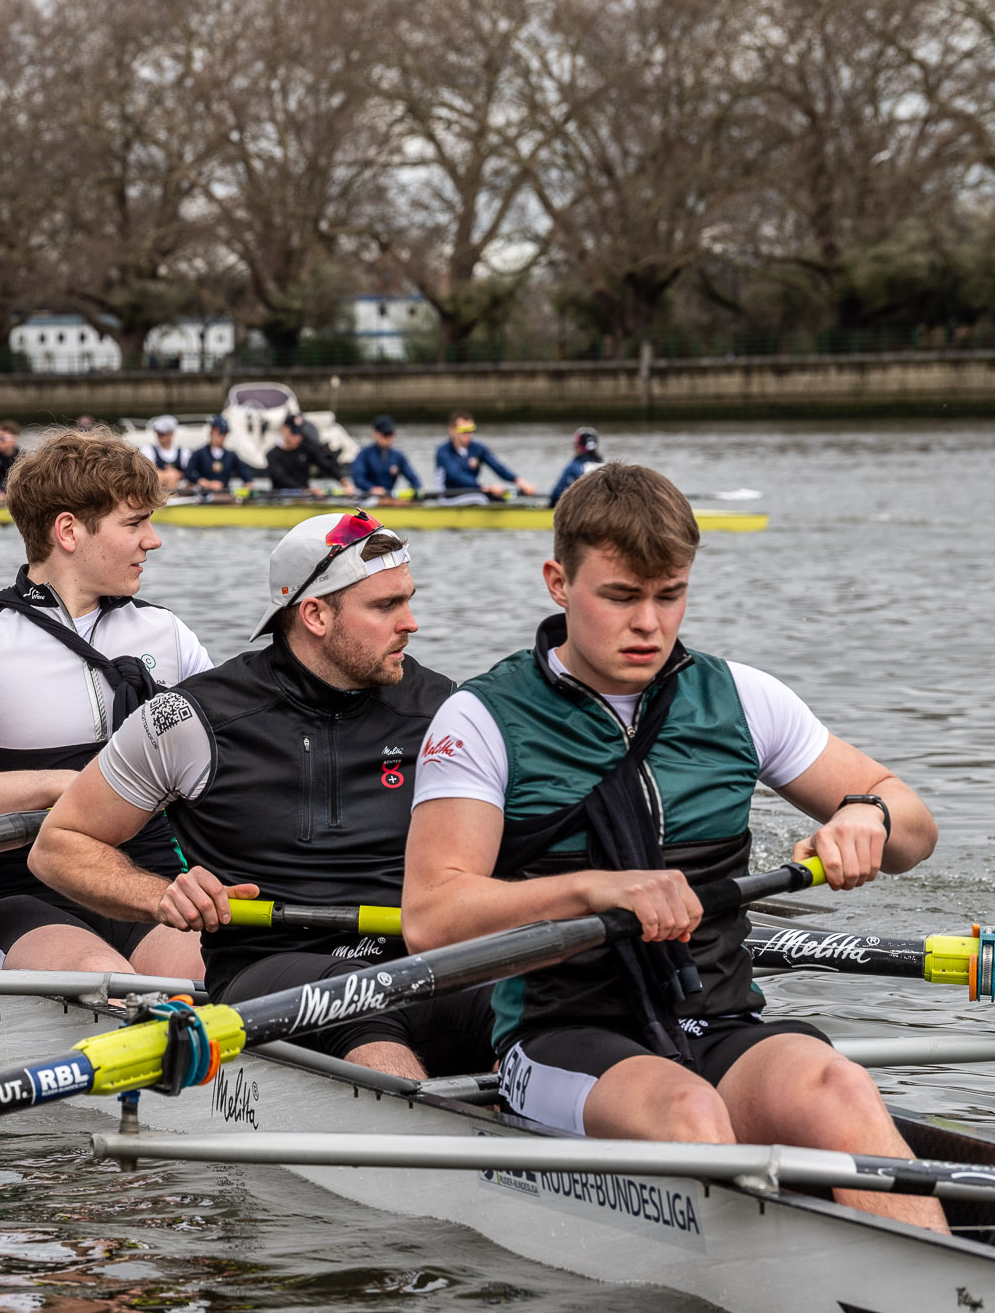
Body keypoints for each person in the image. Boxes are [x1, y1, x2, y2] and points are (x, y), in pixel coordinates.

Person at [401, 463, 944, 1231]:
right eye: (620, 596)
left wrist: (871, 818)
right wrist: (597, 888)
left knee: (840, 1088)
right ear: (559, 581)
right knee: (691, 1116)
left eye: (670, 594)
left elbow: (914, 824)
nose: (650, 624)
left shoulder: (741, 697)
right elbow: (431, 915)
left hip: (715, 1021)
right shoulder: (481, 720)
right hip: (560, 1034)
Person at [32, 513, 488, 1076]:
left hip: (418, 953)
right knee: (364, 1002)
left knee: (537, 998)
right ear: (315, 614)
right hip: (269, 967)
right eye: (384, 607)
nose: (411, 623)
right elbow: (58, 844)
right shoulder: (192, 718)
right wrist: (160, 895)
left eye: (407, 601)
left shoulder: (445, 709)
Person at [0, 430, 213, 976]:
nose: (153, 540)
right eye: (134, 524)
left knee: (200, 987)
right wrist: (61, 787)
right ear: (68, 531)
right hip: (27, 896)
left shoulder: (168, 633)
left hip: (155, 887)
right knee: (109, 986)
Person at [433, 412, 533, 497]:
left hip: (473, 492)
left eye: (471, 429)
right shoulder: (443, 452)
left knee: (505, 498)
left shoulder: (478, 448)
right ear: (452, 430)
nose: (469, 434)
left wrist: (519, 481)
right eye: (463, 430)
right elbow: (456, 475)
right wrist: (483, 488)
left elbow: (497, 466)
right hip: (449, 494)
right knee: (483, 498)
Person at [263, 418, 347, 493]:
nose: (298, 437)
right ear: (284, 430)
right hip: (281, 497)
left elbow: (324, 463)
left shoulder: (305, 448)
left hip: (306, 495)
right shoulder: (272, 455)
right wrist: (302, 490)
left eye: (300, 433)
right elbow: (281, 478)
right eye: (294, 433)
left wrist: (342, 480)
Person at [349, 416, 422, 498]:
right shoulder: (364, 454)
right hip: (367, 497)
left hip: (388, 497)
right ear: (376, 434)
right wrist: (371, 488)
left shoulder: (398, 456)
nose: (389, 438)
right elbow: (358, 479)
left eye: (391, 434)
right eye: (385, 434)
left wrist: (417, 490)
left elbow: (413, 478)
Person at [182, 416, 252, 493]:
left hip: (224, 495)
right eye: (221, 432)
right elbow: (189, 473)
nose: (223, 436)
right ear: (212, 431)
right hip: (204, 494)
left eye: (225, 433)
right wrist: (206, 483)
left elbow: (243, 472)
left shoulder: (231, 456)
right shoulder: (200, 453)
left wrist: (248, 482)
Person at [549, 427, 603, 505]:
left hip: (581, 510)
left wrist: (549, 506)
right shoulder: (605, 467)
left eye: (575, 445)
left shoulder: (573, 467)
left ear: (578, 447)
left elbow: (556, 494)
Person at [139, 415, 188, 491]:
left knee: (172, 476)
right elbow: (147, 472)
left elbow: (190, 473)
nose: (159, 436)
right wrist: (170, 475)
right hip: (157, 486)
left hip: (179, 489)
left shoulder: (184, 452)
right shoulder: (148, 449)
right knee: (171, 476)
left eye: (162, 434)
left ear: (171, 434)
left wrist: (178, 474)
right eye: (158, 433)